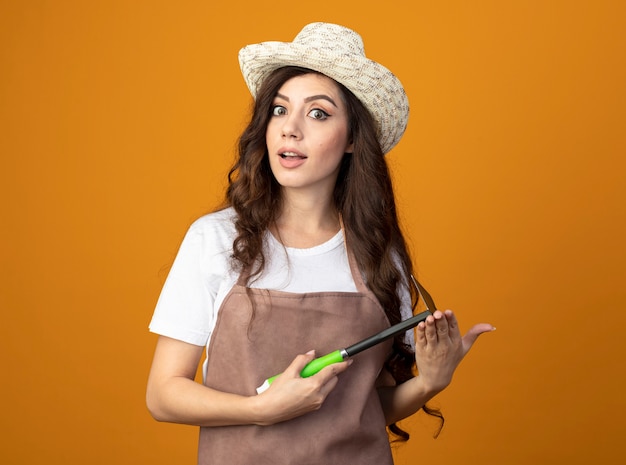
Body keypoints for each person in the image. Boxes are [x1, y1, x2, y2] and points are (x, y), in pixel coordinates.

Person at [146, 22, 494, 464]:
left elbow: (366, 408)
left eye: (318, 113)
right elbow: (162, 395)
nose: (290, 129)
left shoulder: (378, 255)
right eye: (278, 109)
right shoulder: (216, 238)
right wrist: (262, 410)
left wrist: (430, 382)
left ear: (351, 139)